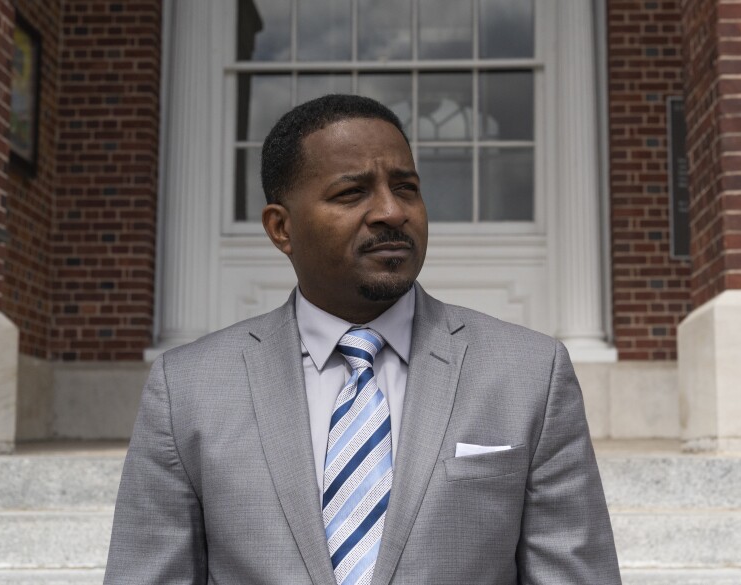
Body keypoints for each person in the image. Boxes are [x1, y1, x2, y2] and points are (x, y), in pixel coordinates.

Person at [104, 94, 621, 584]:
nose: (392, 212)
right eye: (352, 193)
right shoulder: (188, 388)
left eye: (406, 188)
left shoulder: (530, 372)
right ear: (281, 228)